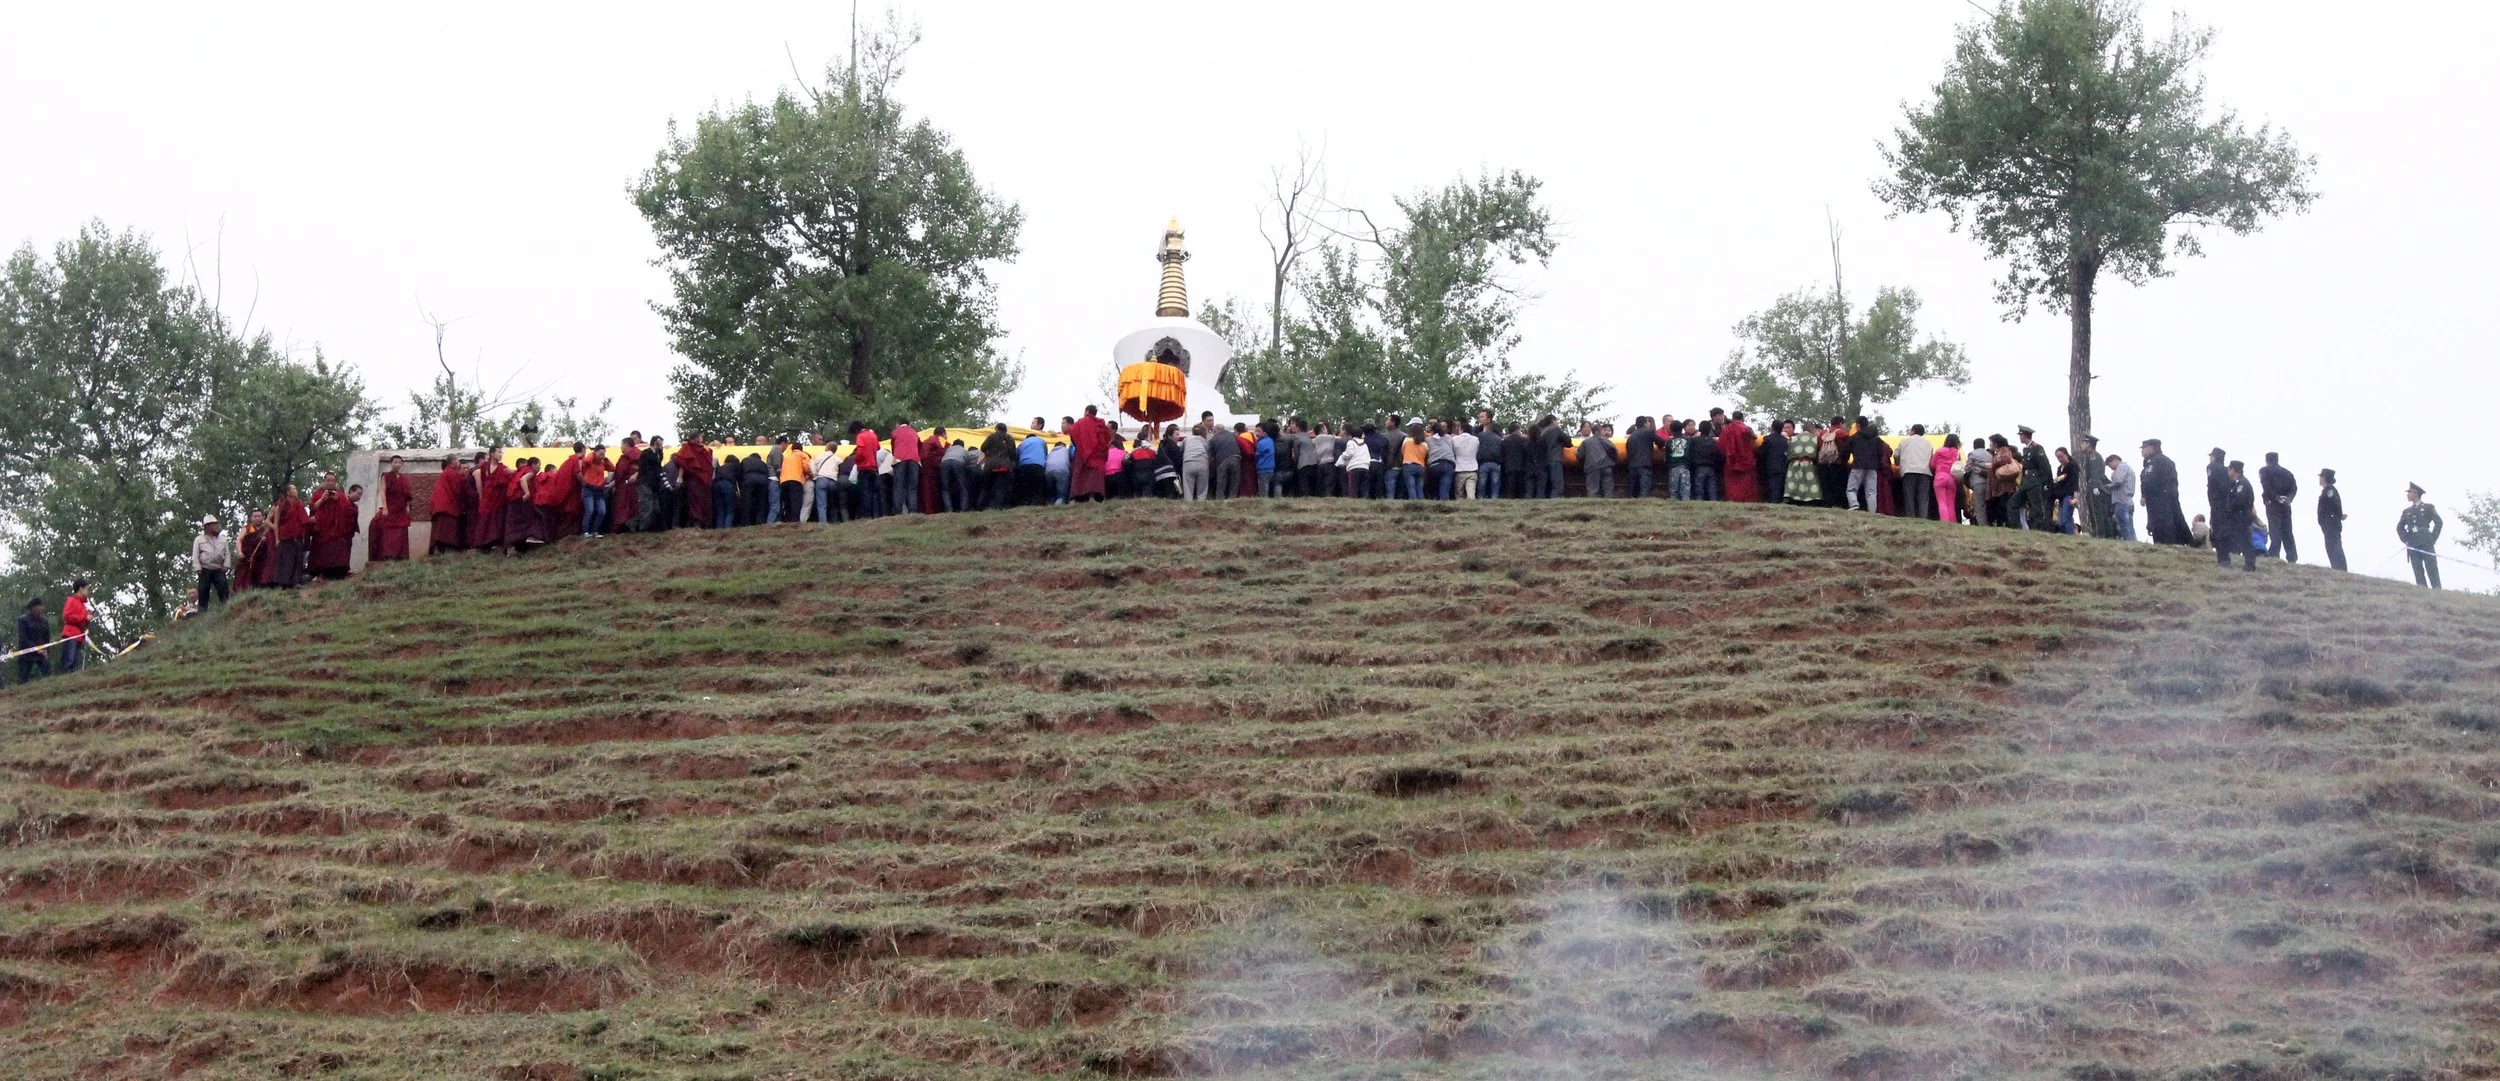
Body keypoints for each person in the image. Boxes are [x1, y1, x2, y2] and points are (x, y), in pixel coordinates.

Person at [2139, 440, 2189, 545]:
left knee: (2162, 524)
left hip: (2160, 499)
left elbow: (2150, 480)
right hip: (2163, 498)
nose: (2142, 451)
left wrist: (2145, 494)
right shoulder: (2157, 461)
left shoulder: (2157, 461)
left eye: (2143, 448)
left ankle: (2166, 544)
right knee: (2164, 522)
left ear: (2151, 448)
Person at [2212, 461, 2258, 572]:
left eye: (2229, 469)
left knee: (2245, 540)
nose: (2228, 472)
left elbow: (2239, 500)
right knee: (2236, 539)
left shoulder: (2242, 483)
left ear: (2233, 470)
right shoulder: (2237, 483)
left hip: (2241, 517)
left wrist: (2229, 506)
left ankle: (2250, 565)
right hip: (2238, 517)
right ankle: (2232, 561)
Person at [2399, 482, 2442, 589]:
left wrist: (2433, 538)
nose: (2407, 495)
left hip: (2426, 541)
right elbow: (2399, 527)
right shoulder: (2406, 512)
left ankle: (2437, 591)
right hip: (2413, 542)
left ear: (2415, 493)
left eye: (2409, 492)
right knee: (2417, 570)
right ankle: (2422, 592)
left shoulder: (2428, 507)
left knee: (2431, 568)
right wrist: (2406, 540)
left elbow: (2439, 522)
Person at [2258, 452, 2298, 563]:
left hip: (2272, 504)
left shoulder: (2264, 471)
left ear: (2267, 460)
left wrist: (2276, 497)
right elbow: (2294, 488)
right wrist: (2288, 498)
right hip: (2286, 505)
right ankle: (2292, 556)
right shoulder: (2287, 473)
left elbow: (2266, 486)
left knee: (2275, 530)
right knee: (2287, 531)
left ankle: (2274, 554)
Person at [1842, 417, 1886, 512]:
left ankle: (1854, 504)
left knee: (1851, 489)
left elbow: (1845, 452)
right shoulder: (1876, 438)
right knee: (1871, 492)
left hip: (1858, 465)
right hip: (1873, 467)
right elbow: (1882, 451)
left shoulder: (1854, 437)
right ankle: (1872, 511)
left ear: (1858, 425)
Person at [265, 483, 305, 585]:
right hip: (285, 537)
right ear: (288, 492)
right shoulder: (281, 505)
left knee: (298, 559)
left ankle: (296, 581)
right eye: (294, 489)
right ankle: (284, 583)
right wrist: (277, 538)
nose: (296, 491)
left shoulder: (299, 503)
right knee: (287, 560)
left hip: (298, 535)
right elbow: (276, 523)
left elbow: (303, 519)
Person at [1069, 406, 1112, 504]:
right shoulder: (1101, 424)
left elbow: (1073, 433)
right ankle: (1094, 497)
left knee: (1080, 474)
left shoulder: (1081, 422)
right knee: (1094, 476)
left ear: (1087, 411)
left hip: (1082, 452)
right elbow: (1107, 438)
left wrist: (1079, 445)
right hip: (1097, 454)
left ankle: (1075, 499)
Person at [671, 437, 714, 529]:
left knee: (695, 503)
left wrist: (680, 477)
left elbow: (682, 463)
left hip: (695, 480)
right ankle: (702, 523)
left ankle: (698, 523)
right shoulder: (703, 448)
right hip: (701, 479)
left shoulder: (687, 449)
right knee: (702, 502)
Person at [1894, 424, 1935, 520]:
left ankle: (1911, 518)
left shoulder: (1904, 441)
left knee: (1909, 496)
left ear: (1913, 431)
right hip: (1925, 472)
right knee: (1923, 497)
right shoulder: (1928, 443)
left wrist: (1898, 464)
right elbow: (1931, 458)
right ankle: (1923, 518)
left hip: (1909, 471)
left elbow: (1896, 454)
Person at [428, 456, 468, 554]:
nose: (459, 464)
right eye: (458, 461)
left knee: (439, 530)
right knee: (446, 531)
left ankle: (438, 549)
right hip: (447, 506)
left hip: (439, 505)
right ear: (453, 462)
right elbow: (458, 490)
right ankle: (445, 549)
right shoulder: (452, 473)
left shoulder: (446, 472)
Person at [2016, 427, 2053, 530]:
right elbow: (2025, 469)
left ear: (2024, 435)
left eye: (2020, 435)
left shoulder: (2037, 448)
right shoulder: (2026, 449)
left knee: (2036, 507)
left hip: (2035, 481)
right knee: (2018, 504)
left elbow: (2045, 466)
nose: (2020, 438)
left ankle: (2038, 528)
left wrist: (2045, 483)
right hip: (2027, 481)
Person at [191, 515, 233, 606]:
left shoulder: (223, 539)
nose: (216, 527)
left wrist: (226, 565)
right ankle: (202, 612)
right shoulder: (199, 539)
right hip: (205, 568)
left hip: (219, 568)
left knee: (223, 587)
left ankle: (226, 607)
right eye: (213, 525)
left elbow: (227, 553)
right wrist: (197, 568)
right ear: (207, 526)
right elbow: (195, 555)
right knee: (203, 591)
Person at [1718, 412, 1759, 503]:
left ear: (1733, 418)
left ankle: (1732, 499)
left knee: (1732, 482)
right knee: (1746, 482)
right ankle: (1746, 500)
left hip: (1731, 460)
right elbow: (1755, 438)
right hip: (1746, 459)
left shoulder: (1726, 430)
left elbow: (1720, 445)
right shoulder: (1746, 429)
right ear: (1742, 418)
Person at [1985, 435, 2021, 528]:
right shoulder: (1998, 452)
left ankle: (2008, 525)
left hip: (2004, 486)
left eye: (1991, 442)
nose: (1989, 444)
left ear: (1995, 443)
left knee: (2004, 507)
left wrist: (1992, 465)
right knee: (2000, 508)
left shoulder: (2004, 450)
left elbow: (2006, 459)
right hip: (2000, 486)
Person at [1785, 422, 1824, 506]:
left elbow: (1788, 452)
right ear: (1812, 429)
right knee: (1809, 482)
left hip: (1794, 463)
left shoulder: (1794, 438)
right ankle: (1811, 500)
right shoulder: (1815, 438)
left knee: (1795, 482)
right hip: (1808, 462)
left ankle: (1793, 498)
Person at [2316, 468, 2347, 571]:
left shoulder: (2330, 490)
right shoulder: (2328, 490)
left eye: (2321, 477)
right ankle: (2337, 569)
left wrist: (2337, 515)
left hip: (2331, 524)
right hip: (2330, 523)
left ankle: (2340, 569)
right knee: (2332, 547)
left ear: (2324, 478)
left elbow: (2334, 505)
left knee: (2334, 547)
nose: (2319, 479)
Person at [234, 509, 271, 592]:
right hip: (248, 557)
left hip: (262, 558)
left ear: (263, 517)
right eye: (255, 516)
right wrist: (239, 552)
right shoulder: (247, 529)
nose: (257, 518)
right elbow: (239, 540)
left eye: (259, 516)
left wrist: (266, 540)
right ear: (251, 518)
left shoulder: (266, 529)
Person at [13, 599, 49, 684]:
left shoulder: (44, 621)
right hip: (26, 653)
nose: (42, 608)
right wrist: (36, 649)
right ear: (34, 607)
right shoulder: (23, 620)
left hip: (42, 652)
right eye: (40, 606)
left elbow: (47, 636)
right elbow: (23, 638)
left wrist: (46, 649)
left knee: (48, 673)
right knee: (23, 678)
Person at [889, 420, 921, 515]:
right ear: (909, 424)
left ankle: (898, 511)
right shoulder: (914, 432)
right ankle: (913, 510)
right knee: (912, 487)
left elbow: (893, 447)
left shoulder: (895, 432)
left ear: (898, 424)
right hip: (914, 459)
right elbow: (918, 446)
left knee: (899, 486)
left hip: (899, 459)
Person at [1623, 417, 1660, 498]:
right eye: (1648, 422)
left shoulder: (1632, 436)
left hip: (1632, 465)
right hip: (1645, 464)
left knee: (1634, 490)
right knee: (1644, 489)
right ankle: (1643, 505)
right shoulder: (1649, 432)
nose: (1649, 424)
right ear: (1645, 423)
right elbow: (1660, 442)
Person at [59, 580, 91, 673]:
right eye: (86, 589)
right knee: (69, 661)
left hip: (79, 636)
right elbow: (67, 616)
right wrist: (84, 617)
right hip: (70, 634)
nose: (88, 591)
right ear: (81, 589)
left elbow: (83, 623)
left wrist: (87, 620)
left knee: (75, 663)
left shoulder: (83, 606)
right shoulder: (71, 600)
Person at [2104, 453, 2137, 541]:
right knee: (2129, 525)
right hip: (2128, 501)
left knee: (2124, 525)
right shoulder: (2128, 468)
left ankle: (2129, 543)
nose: (2110, 468)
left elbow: (2118, 481)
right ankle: (2133, 542)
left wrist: (2108, 486)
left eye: (2110, 465)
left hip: (2121, 500)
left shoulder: (2122, 467)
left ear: (2115, 461)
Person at [1928, 434, 1961, 523]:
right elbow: (1959, 465)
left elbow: (1932, 465)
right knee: (1951, 503)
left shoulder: (1939, 451)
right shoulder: (1957, 453)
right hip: (1952, 478)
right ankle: (1952, 522)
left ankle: (1945, 521)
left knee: (1942, 501)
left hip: (1940, 477)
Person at [1533, 415, 1567, 499]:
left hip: (1545, 460)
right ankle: (1555, 498)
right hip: (1555, 458)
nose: (1558, 423)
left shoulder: (1542, 432)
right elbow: (1567, 440)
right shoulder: (1556, 429)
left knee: (1548, 482)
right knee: (1557, 482)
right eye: (1557, 420)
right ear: (1553, 421)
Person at [1016, 423, 1051, 506]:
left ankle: (1024, 504)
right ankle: (1036, 504)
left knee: (1025, 487)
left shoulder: (1022, 443)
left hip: (1024, 466)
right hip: (1038, 465)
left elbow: (1017, 454)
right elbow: (1045, 453)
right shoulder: (1041, 441)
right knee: (1038, 487)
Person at [1334, 428, 1373, 497]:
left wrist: (1343, 456)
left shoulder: (1351, 442)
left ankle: (1353, 501)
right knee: (1364, 487)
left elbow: (1349, 453)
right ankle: (1364, 501)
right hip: (1365, 467)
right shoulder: (1365, 444)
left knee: (1353, 487)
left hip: (1354, 467)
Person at [1689, 420, 1722, 501]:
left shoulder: (1695, 441)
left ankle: (1699, 504)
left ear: (1699, 429)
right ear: (1710, 429)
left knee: (1699, 488)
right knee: (1712, 488)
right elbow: (1717, 454)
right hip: (1711, 467)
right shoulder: (1714, 441)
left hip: (1699, 467)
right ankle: (1714, 503)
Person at [1667, 421, 1696, 500]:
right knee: (1685, 490)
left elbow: (1667, 456)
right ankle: (1686, 507)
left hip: (1673, 467)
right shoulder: (1689, 440)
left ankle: (1673, 507)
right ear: (1682, 428)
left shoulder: (1668, 442)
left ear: (1671, 429)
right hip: (1685, 467)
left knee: (1673, 490)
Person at [2052, 448, 2078, 533]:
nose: (2060, 459)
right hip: (2061, 496)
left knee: (2067, 517)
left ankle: (2069, 535)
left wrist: (2075, 495)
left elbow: (2074, 481)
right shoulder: (2059, 468)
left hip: (2069, 494)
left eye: (2061, 456)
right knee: (2061, 519)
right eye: (2058, 457)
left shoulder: (2073, 465)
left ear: (2066, 454)